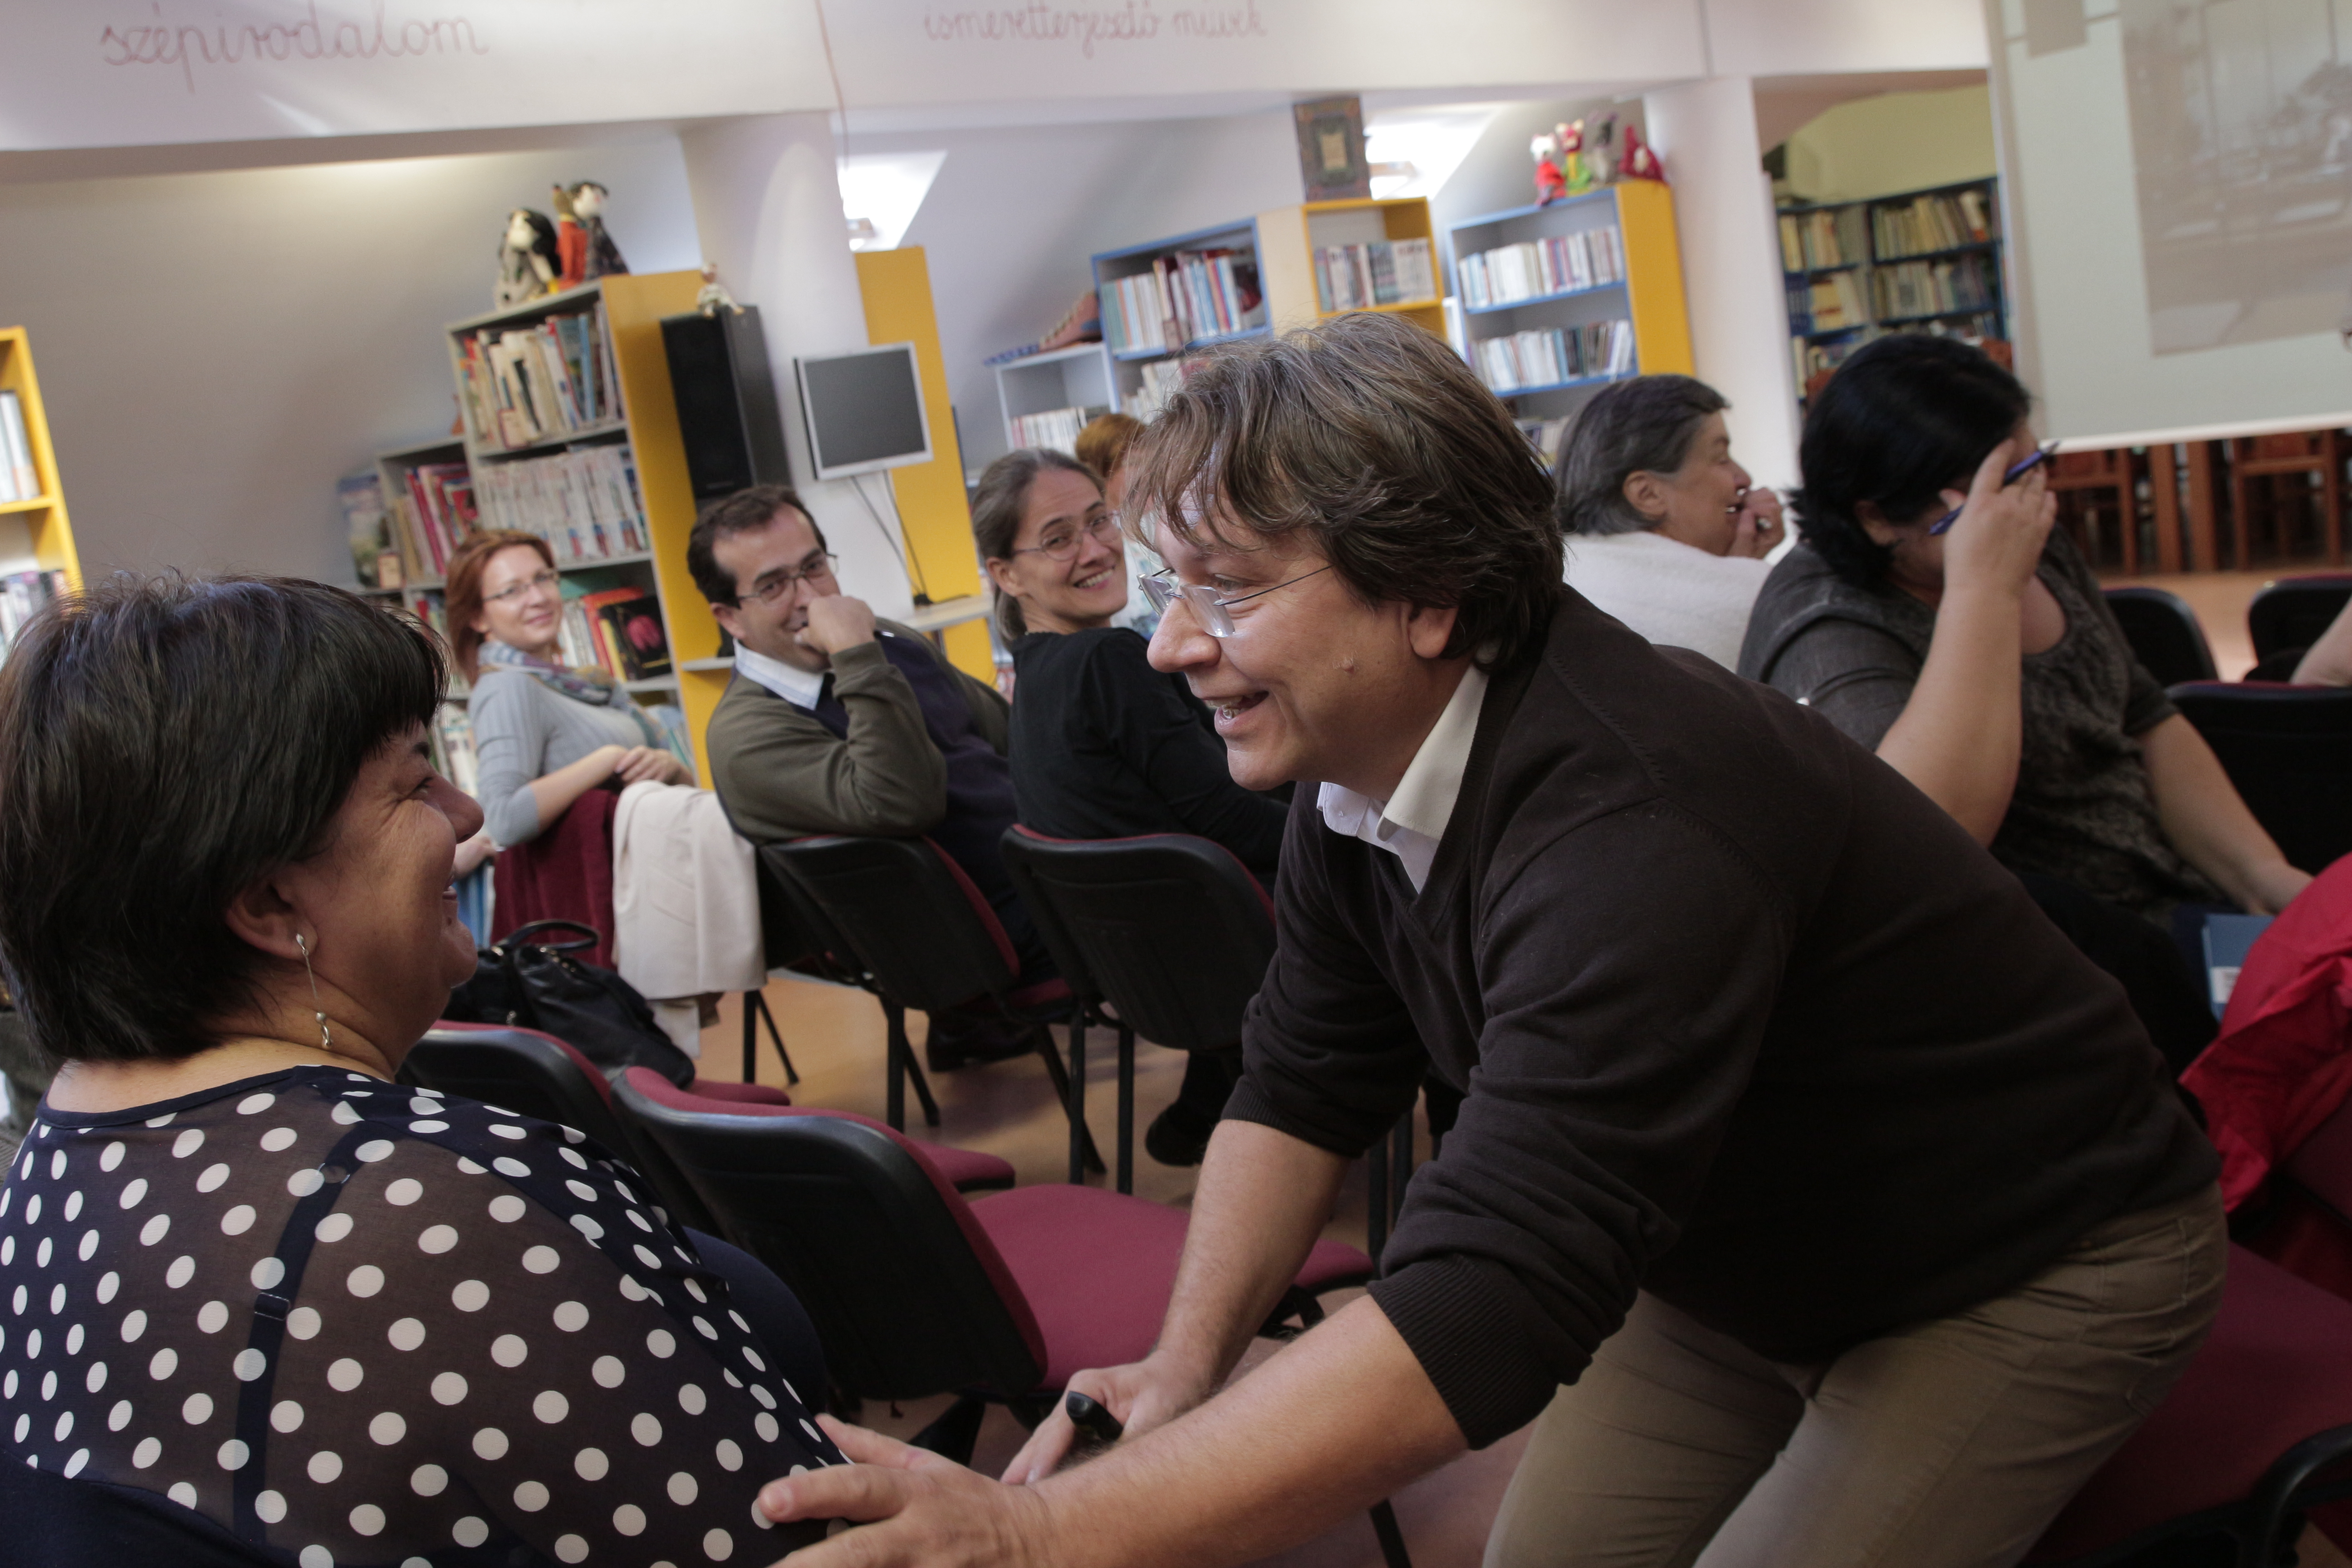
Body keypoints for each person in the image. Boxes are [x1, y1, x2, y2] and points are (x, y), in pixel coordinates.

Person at [752, 312, 2222, 1568]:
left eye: (1231, 589)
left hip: (2022, 1260)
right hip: (1742, 1254)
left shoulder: (1635, 813)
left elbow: (1500, 1285)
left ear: (1428, 591)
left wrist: (1040, 1537)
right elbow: (1305, 1075)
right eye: (1170, 587)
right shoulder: (1360, 770)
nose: (1172, 644)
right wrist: (1182, 1366)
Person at [0, 573, 839, 1564]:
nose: (468, 809)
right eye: (412, 785)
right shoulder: (438, 1209)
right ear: (271, 902)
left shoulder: (55, 1168)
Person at [1738, 334, 2308, 1070]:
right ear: (1876, 518)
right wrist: (1984, 591)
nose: (2034, 505)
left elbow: (2141, 716)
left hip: (2171, 916)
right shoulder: (1828, 623)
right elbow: (1924, 840)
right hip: (2059, 988)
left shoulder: (2020, 530)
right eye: (1999, 492)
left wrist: (2260, 874)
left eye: (2033, 468)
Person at [976, 447, 1287, 1166]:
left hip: (1144, 970)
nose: (1094, 550)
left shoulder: (1035, 675)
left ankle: (1209, 1100)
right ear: (1007, 574)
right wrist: (1349, 821)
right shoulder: (1108, 662)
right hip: (1225, 953)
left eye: (1099, 521)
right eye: (1058, 539)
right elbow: (1234, 821)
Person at [690, 485, 1046, 1068]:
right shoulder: (747, 738)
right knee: (1190, 888)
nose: (809, 598)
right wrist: (855, 654)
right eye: (774, 586)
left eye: (814, 567)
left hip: (1043, 867)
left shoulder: (885, 641)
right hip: (984, 938)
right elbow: (906, 802)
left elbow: (1008, 736)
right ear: (730, 617)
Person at [1555, 373, 1784, 669]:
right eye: (1721, 458)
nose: (1744, 478)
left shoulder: (1555, 578)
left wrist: (1737, 566)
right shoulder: (1754, 599)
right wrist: (1745, 577)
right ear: (1648, 494)